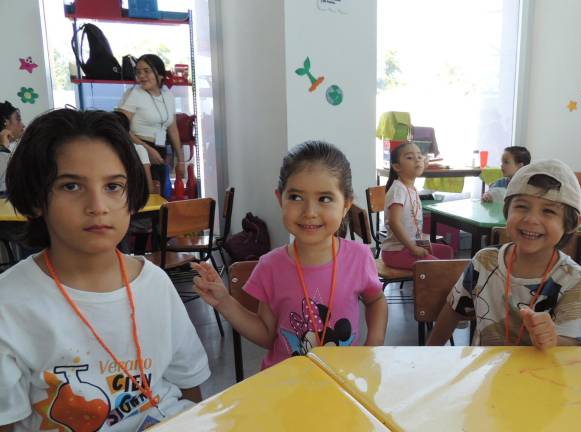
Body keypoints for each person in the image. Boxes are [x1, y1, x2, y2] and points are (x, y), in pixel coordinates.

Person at [0, 109, 210, 431]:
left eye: (113, 186)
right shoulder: (9, 303)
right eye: (71, 186)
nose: (98, 206)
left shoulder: (155, 283)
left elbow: (190, 392)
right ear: (37, 199)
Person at [192, 140, 388, 369]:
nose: (310, 212)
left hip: (341, 379)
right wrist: (224, 302)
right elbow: (267, 335)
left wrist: (373, 345)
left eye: (325, 199)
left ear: (346, 204)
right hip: (286, 381)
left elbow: (376, 300)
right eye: (296, 197)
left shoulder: (359, 257)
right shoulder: (270, 266)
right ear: (280, 199)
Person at [427, 159, 581, 348]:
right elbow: (454, 310)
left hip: (544, 367)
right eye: (521, 207)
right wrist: (429, 354)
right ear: (506, 211)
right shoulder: (484, 262)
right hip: (485, 365)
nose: (531, 219)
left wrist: (554, 339)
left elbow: (573, 343)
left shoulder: (572, 277)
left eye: (548, 211)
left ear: (572, 223)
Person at [381, 142, 454, 270]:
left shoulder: (412, 188)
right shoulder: (398, 190)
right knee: (438, 267)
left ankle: (436, 281)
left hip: (410, 246)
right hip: (395, 252)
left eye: (420, 157)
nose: (417, 160)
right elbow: (394, 222)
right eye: (410, 157)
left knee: (446, 252)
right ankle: (435, 282)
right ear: (397, 166)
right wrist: (413, 248)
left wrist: (417, 245)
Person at [117, 54, 186, 186]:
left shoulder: (167, 94)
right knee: (146, 193)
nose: (141, 76)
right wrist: (147, 149)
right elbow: (120, 126)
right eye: (138, 72)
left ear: (160, 74)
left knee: (160, 193)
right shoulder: (134, 94)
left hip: (160, 149)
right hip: (138, 149)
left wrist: (181, 160)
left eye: (146, 71)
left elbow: (172, 129)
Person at [0, 101, 24, 194]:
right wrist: (3, 148)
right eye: (18, 119)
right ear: (5, 122)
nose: (23, 125)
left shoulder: (14, 148)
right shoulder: (4, 151)